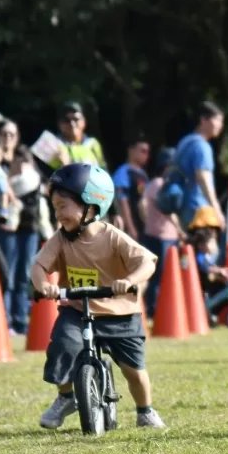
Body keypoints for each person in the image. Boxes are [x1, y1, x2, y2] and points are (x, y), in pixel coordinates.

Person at [33, 163, 165, 429]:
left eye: (63, 207)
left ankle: (145, 411)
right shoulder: (60, 239)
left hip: (119, 311)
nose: (58, 214)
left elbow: (148, 262)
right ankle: (66, 396)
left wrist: (128, 281)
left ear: (91, 206)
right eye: (55, 207)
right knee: (63, 344)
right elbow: (39, 266)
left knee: (134, 370)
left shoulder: (112, 237)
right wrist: (43, 285)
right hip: (78, 308)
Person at [1, 146, 47, 334]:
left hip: (30, 230)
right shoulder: (4, 176)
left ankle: (20, 321)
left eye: (25, 161)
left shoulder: (35, 179)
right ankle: (7, 321)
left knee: (23, 278)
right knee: (8, 277)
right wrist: (11, 176)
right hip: (10, 230)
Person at [140, 148, 184, 316]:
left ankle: (152, 307)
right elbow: (168, 210)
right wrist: (180, 230)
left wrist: (147, 222)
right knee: (163, 275)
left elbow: (142, 205)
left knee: (153, 274)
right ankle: (157, 309)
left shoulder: (150, 184)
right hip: (165, 236)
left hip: (152, 234)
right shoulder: (161, 184)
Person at [174, 101, 225, 231]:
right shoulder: (202, 146)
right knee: (206, 249)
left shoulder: (185, 142)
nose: (220, 126)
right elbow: (204, 179)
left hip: (183, 207)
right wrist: (216, 209)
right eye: (217, 121)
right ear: (203, 120)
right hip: (199, 210)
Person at [48, 102, 107, 169]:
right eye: (66, 120)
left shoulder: (93, 144)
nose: (72, 124)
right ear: (59, 124)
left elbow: (103, 170)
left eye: (76, 119)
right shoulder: (53, 145)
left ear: (84, 121)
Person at [112, 137, 150, 240]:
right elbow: (122, 202)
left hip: (146, 227)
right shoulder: (123, 173)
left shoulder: (143, 174)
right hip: (133, 227)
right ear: (131, 150)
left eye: (147, 152)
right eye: (143, 151)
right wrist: (131, 228)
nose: (146, 155)